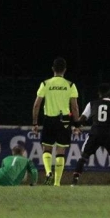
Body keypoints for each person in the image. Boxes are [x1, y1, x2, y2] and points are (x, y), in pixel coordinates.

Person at [32, 57, 80, 186]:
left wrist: (35, 123)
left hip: (49, 119)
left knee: (46, 148)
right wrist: (76, 124)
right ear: (65, 70)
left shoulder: (45, 83)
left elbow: (37, 105)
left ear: (53, 69)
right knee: (61, 151)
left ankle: (48, 172)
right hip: (64, 120)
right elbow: (74, 107)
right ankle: (57, 183)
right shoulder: (70, 85)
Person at [72, 83, 110, 186]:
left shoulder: (92, 103)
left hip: (95, 133)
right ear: (109, 92)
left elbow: (82, 118)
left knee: (84, 156)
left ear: (99, 93)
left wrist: (76, 126)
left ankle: (75, 179)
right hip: (108, 133)